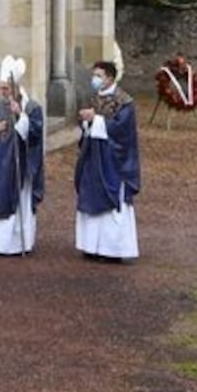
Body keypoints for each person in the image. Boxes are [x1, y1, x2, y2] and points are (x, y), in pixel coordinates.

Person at [0, 56, 44, 255]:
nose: (2, 92)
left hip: (18, 165)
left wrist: (21, 116)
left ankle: (14, 243)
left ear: (15, 87)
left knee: (15, 200)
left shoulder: (32, 108)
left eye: (6, 88)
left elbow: (35, 135)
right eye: (1, 88)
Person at [75, 61, 140, 262]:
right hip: (93, 158)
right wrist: (86, 121)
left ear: (110, 78)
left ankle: (112, 250)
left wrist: (96, 120)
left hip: (113, 161)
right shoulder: (94, 99)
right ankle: (91, 246)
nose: (95, 79)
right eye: (94, 75)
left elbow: (122, 131)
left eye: (99, 76)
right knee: (91, 196)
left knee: (111, 200)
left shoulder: (124, 102)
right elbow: (87, 126)